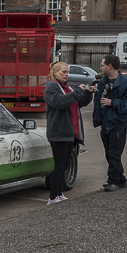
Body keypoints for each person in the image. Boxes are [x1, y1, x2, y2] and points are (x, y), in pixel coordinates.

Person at [43, 61, 95, 205]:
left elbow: (78, 102)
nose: (66, 75)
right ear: (55, 73)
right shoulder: (52, 87)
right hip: (58, 133)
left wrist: (88, 94)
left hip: (70, 132)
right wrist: (78, 91)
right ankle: (53, 196)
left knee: (65, 165)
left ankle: (59, 193)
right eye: (63, 72)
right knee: (59, 166)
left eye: (67, 72)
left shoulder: (67, 87)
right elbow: (60, 102)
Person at [92, 55, 127, 192]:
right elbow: (97, 102)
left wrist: (113, 103)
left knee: (114, 154)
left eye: (102, 65)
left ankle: (113, 181)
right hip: (105, 124)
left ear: (110, 66)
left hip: (118, 125)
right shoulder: (102, 82)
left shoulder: (125, 83)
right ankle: (121, 179)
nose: (100, 68)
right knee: (110, 154)